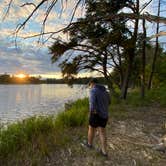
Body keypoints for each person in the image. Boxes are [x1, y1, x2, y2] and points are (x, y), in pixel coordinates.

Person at [83, 78, 110, 157]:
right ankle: (104, 152)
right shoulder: (106, 91)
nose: (90, 87)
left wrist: (91, 114)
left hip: (96, 114)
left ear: (92, 83)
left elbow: (92, 105)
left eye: (90, 85)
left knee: (91, 129)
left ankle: (89, 144)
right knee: (102, 132)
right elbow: (109, 102)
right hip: (105, 115)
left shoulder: (93, 91)